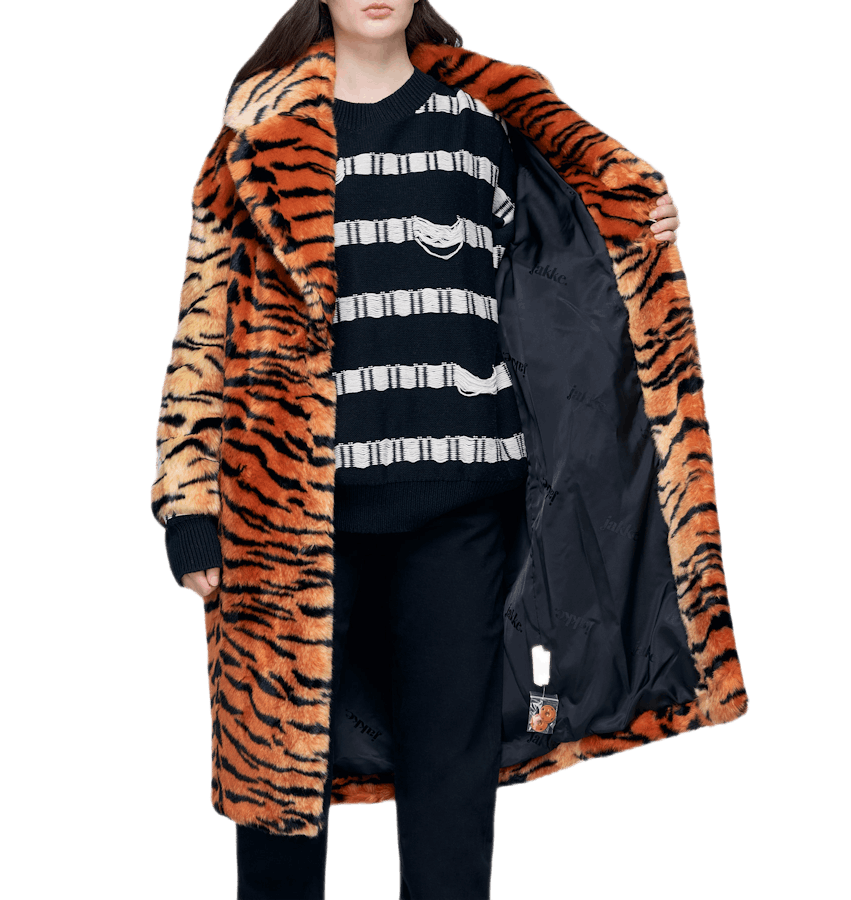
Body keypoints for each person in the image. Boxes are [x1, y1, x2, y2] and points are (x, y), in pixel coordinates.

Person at [154, 2, 682, 897]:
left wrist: (637, 216)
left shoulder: (484, 118)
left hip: (461, 509)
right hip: (292, 514)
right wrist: (188, 504)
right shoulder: (258, 131)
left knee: (451, 806)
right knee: (277, 794)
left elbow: (565, 241)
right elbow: (204, 322)